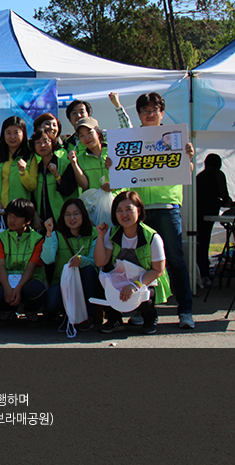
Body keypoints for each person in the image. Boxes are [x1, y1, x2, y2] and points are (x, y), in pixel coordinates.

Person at [110, 91, 196, 330]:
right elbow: (119, 168)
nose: (149, 114)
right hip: (140, 210)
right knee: (139, 263)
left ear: (162, 112)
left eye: (153, 110)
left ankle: (185, 311)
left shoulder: (175, 138)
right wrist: (112, 164)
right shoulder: (132, 138)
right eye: (145, 111)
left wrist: (188, 158)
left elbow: (185, 170)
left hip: (167, 205)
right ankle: (143, 310)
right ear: (138, 114)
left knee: (176, 261)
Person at [94, 191, 171, 335]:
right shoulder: (112, 233)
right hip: (121, 278)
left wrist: (135, 285)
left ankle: (150, 318)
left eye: (129, 209)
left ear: (139, 210)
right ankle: (114, 319)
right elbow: (101, 261)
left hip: (146, 281)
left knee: (146, 295)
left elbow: (158, 270)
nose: (124, 214)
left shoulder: (152, 237)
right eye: (119, 210)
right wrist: (100, 237)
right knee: (100, 281)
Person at [0, 198, 47, 325]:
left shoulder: (38, 239)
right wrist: (8, 289)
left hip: (28, 280)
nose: (11, 220)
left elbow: (31, 267)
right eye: (10, 215)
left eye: (17, 217)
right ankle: (7, 310)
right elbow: (0, 265)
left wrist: (18, 289)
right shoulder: (0, 237)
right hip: (6, 280)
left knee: (37, 292)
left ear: (28, 221)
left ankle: (30, 310)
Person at [41, 198, 98, 326]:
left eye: (76, 213)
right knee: (51, 304)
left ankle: (88, 317)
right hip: (62, 282)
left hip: (85, 283)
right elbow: (47, 259)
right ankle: (67, 312)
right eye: (68, 214)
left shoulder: (94, 233)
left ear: (83, 215)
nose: (72, 218)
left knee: (89, 270)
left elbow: (95, 262)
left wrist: (81, 260)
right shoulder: (57, 234)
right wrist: (49, 234)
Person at [0, 116, 36, 222]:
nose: (12, 137)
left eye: (16, 132)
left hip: (21, 215)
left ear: (23, 133)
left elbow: (32, 186)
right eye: (8, 132)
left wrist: (23, 173)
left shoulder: (31, 156)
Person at [196, 154, 232, 286]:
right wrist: (228, 203)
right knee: (205, 240)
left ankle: (201, 270)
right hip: (209, 211)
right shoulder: (218, 174)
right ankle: (204, 272)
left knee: (199, 242)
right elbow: (224, 194)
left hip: (197, 212)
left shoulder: (200, 176)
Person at [28, 128, 78, 224]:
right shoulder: (35, 168)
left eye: (46, 141)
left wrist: (57, 175)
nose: (42, 145)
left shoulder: (65, 164)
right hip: (42, 222)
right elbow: (31, 194)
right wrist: (35, 216)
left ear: (53, 142)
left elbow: (69, 190)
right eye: (38, 142)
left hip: (64, 220)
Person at [67, 117, 111, 192]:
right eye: (82, 135)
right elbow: (85, 186)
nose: (86, 138)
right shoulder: (80, 160)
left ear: (98, 133)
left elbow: (125, 177)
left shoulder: (113, 152)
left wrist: (114, 185)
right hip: (92, 202)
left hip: (117, 200)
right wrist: (74, 163)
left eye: (89, 133)